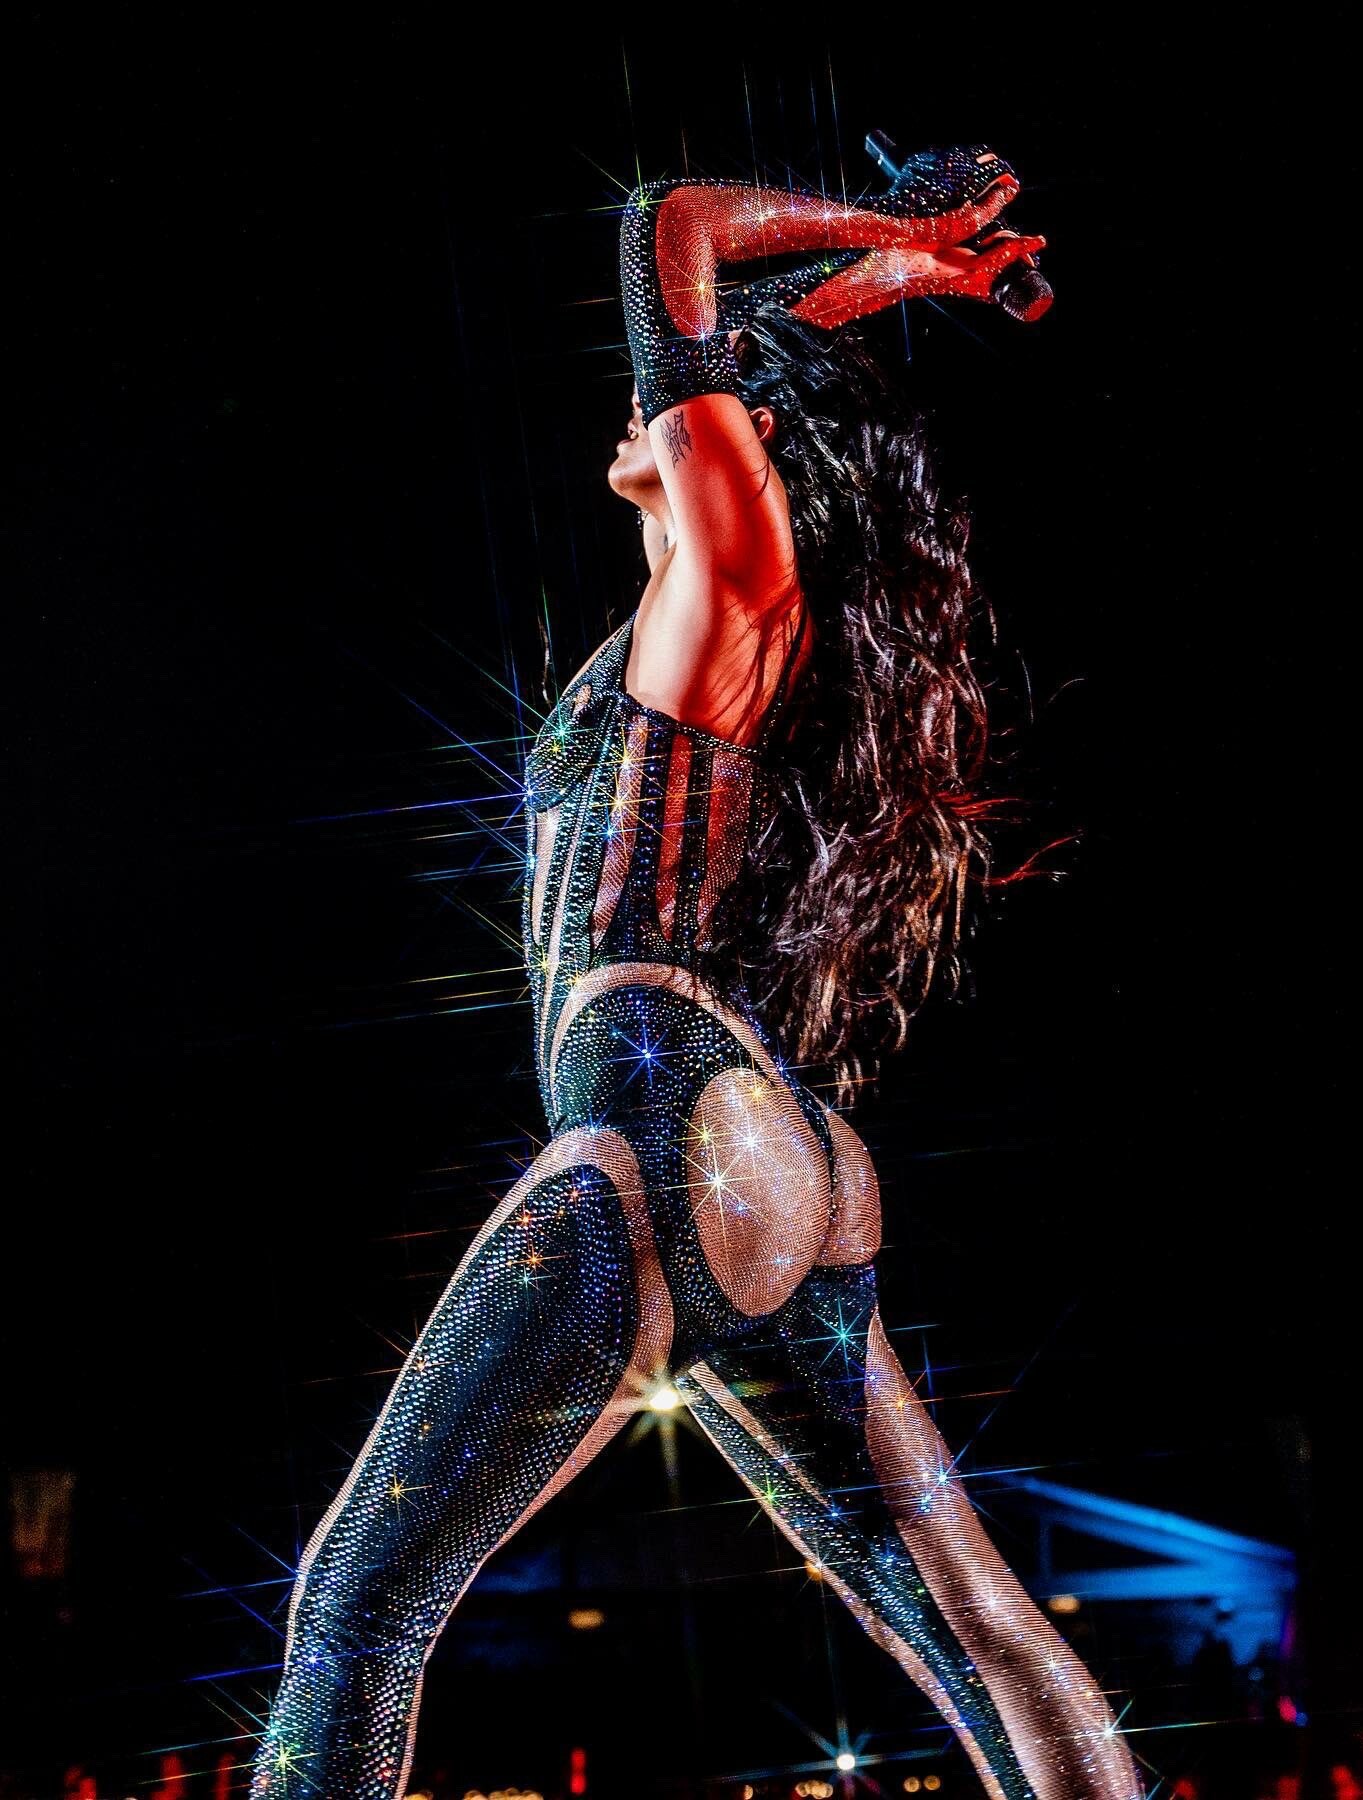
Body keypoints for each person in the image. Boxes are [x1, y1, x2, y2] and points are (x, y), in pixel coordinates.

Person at [249, 142, 1144, 1800]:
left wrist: (889, 223)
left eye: (691, 409)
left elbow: (663, 231)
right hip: (774, 1143)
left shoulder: (741, 573)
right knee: (967, 1625)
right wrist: (911, 273)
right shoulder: (711, 603)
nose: (648, 411)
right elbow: (752, 340)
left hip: (665, 1116)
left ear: (743, 447)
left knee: (357, 1608)